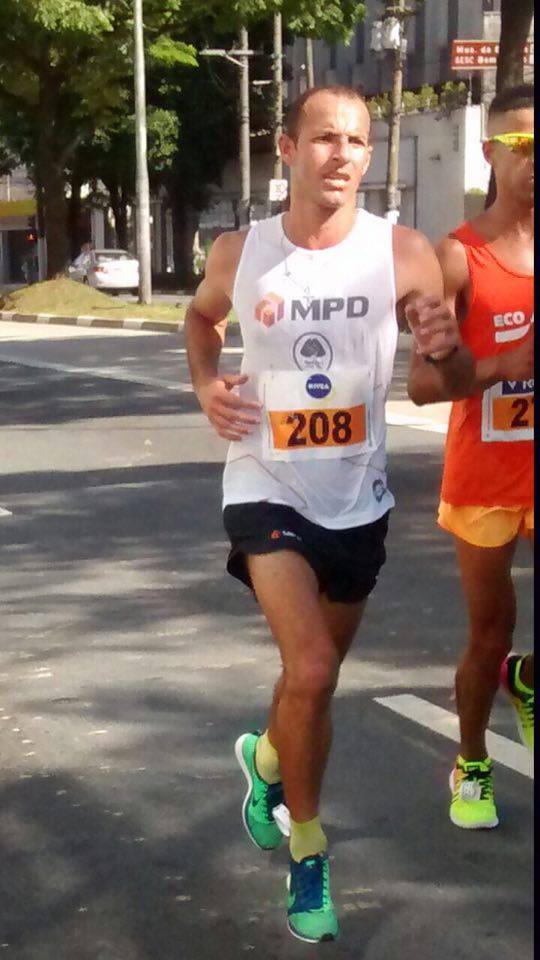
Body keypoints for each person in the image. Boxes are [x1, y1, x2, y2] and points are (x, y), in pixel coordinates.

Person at [186, 85, 473, 943]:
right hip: (265, 483)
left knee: (312, 682)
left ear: (369, 154)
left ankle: (267, 758)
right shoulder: (243, 252)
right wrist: (205, 384)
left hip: (358, 500)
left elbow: (441, 383)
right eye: (323, 138)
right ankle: (308, 849)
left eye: (356, 140)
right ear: (287, 149)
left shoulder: (404, 253)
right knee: (310, 668)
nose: (341, 154)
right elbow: (201, 318)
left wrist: (445, 350)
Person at [408, 83, 534, 831]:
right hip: (485, 476)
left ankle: (527, 679)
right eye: (521, 144)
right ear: (490, 152)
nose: (534, 158)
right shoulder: (458, 256)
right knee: (491, 633)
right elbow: (424, 384)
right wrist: (505, 365)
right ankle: (472, 762)